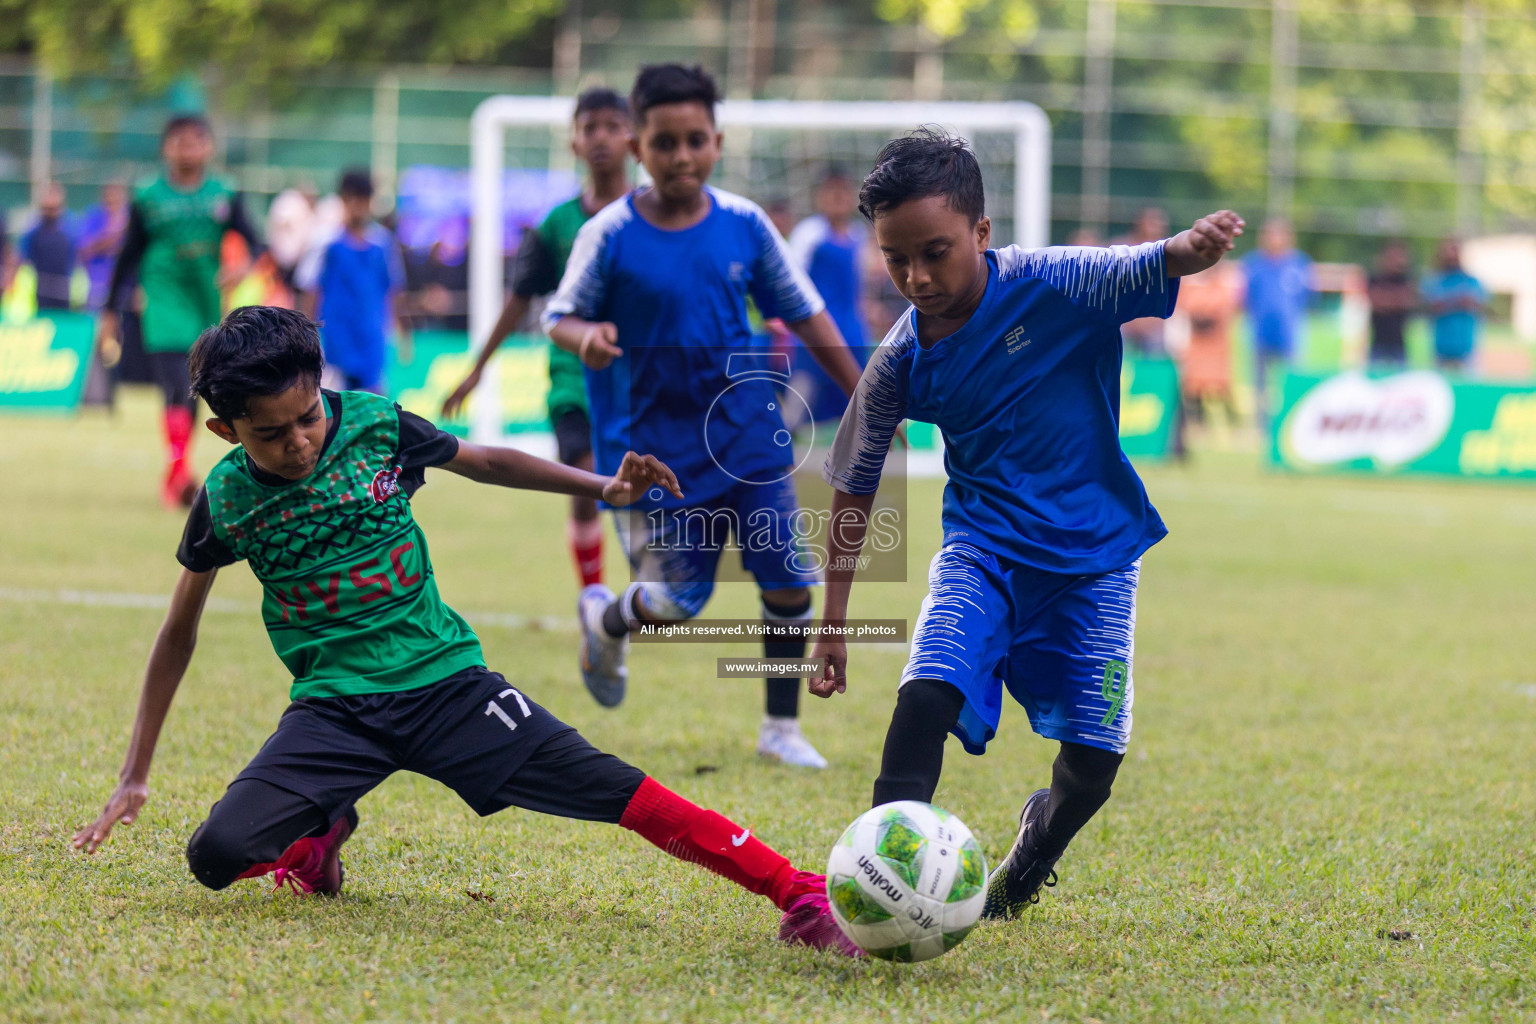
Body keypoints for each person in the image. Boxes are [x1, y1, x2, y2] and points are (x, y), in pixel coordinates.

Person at [69, 306, 859, 958]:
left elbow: (486, 460)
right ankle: (321, 829)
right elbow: (178, 631)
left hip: (447, 686)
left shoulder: (374, 427)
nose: (300, 440)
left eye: (307, 416)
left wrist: (605, 485)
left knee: (615, 788)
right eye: (271, 434)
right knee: (212, 859)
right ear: (224, 432)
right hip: (334, 712)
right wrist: (136, 773)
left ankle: (795, 891)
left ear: (323, 391)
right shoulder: (229, 498)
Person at [806, 128, 1243, 921]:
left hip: (1097, 557)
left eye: (935, 252)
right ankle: (874, 887)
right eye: (896, 259)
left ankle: (1038, 841)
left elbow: (1143, 262)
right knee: (925, 696)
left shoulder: (1054, 281)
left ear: (980, 233)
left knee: (1094, 762)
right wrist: (832, 623)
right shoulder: (900, 359)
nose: (916, 277)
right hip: (983, 551)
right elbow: (853, 488)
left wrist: (1191, 245)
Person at [542, 64, 864, 768]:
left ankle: (781, 729)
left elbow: (805, 313)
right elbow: (556, 314)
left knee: (787, 575)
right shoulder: (610, 233)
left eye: (695, 140)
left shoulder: (745, 225)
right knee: (680, 599)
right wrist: (585, 337)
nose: (681, 156)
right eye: (665, 143)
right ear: (639, 149)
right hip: (654, 447)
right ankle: (606, 618)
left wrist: (870, 395)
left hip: (747, 431)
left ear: (716, 141)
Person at [442, 87, 633, 590]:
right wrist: (477, 368)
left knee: (644, 482)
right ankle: (593, 593)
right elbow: (520, 299)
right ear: (573, 142)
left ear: (635, 139)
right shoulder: (556, 224)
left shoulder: (652, 215)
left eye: (613, 126)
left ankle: (649, 586)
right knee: (588, 478)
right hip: (573, 375)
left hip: (641, 377)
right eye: (589, 127)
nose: (600, 137)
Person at [100, 114, 261, 508]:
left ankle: (178, 472)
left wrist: (241, 266)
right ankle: (178, 473)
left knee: (203, 389)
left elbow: (257, 242)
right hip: (164, 300)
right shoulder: (148, 196)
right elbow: (128, 254)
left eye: (196, 140)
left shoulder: (224, 193)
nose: (188, 148)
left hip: (206, 302)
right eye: (179, 141)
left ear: (209, 146)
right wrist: (109, 308)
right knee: (177, 380)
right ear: (166, 147)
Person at [297, 169, 409, 395]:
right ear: (343, 200)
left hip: (371, 340)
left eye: (363, 199)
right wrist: (305, 336)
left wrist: (403, 332)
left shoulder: (383, 243)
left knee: (374, 407)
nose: (358, 205)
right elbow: (310, 290)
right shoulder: (325, 241)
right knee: (333, 410)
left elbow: (394, 290)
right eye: (352, 198)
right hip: (335, 342)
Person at [785, 169, 870, 427]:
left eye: (843, 193)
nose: (837, 199)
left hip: (851, 329)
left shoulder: (858, 235)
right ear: (819, 198)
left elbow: (858, 285)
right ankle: (780, 448)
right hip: (817, 329)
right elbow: (790, 280)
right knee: (803, 391)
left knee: (856, 395)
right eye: (831, 193)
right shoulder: (809, 233)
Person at [1242, 219, 1311, 426]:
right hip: (1260, 332)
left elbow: (1306, 297)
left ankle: (1290, 421)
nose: (1275, 240)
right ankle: (1261, 426)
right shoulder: (1253, 263)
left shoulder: (1299, 264)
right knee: (1260, 383)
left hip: (1289, 334)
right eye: (1270, 234)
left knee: (1291, 378)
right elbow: (1246, 298)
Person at [1174, 261, 1243, 424]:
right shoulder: (1191, 284)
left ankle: (1230, 422)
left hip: (1216, 346)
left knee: (1221, 387)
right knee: (1193, 387)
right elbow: (1185, 308)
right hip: (1197, 345)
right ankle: (1197, 421)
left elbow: (1227, 308)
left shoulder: (1225, 284)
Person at [1422, 237, 1488, 375]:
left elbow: (1475, 303)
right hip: (1441, 347)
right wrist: (1458, 301)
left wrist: (1448, 302)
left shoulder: (1471, 280)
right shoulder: (1435, 280)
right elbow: (1434, 305)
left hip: (1466, 348)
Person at [1117, 207, 1170, 356]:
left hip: (1153, 322)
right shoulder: (1122, 250)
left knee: (1157, 356)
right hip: (1124, 320)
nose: (1157, 226)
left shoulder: (1168, 254)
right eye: (1152, 222)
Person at [21, 181, 78, 311]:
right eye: (46, 208)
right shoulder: (33, 232)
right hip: (39, 292)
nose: (49, 213)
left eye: (53, 208)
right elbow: (25, 259)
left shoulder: (71, 231)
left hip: (66, 293)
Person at [79, 182, 129, 311]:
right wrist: (112, 237)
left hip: (125, 287)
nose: (112, 202)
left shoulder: (130, 218)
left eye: (116, 198)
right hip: (98, 286)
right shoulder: (94, 217)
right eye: (109, 198)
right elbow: (84, 249)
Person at [1366, 239, 1416, 368]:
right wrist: (1394, 299)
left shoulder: (1406, 280)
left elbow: (1406, 301)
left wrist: (1386, 299)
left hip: (1399, 344)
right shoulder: (1374, 279)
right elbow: (1375, 301)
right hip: (1378, 343)